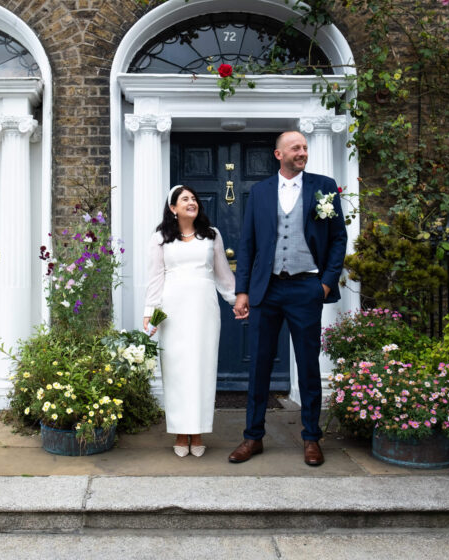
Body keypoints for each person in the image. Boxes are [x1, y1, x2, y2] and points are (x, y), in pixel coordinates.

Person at [229, 130, 347, 466]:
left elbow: (338, 238)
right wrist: (242, 291)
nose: (303, 152)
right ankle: (253, 437)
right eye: (296, 148)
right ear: (278, 154)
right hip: (267, 290)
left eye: (305, 148)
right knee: (260, 367)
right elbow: (248, 243)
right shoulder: (261, 191)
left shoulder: (324, 186)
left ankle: (311, 437)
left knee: (309, 366)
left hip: (305, 288)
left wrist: (324, 283)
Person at [144, 185, 237, 458]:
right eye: (185, 199)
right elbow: (154, 278)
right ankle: (179, 432)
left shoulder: (212, 235)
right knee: (176, 370)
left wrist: (237, 301)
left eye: (194, 198)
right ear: (173, 208)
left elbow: (223, 274)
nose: (191, 202)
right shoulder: (160, 237)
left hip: (204, 308)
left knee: (202, 368)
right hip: (172, 308)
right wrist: (150, 312)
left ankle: (196, 432)